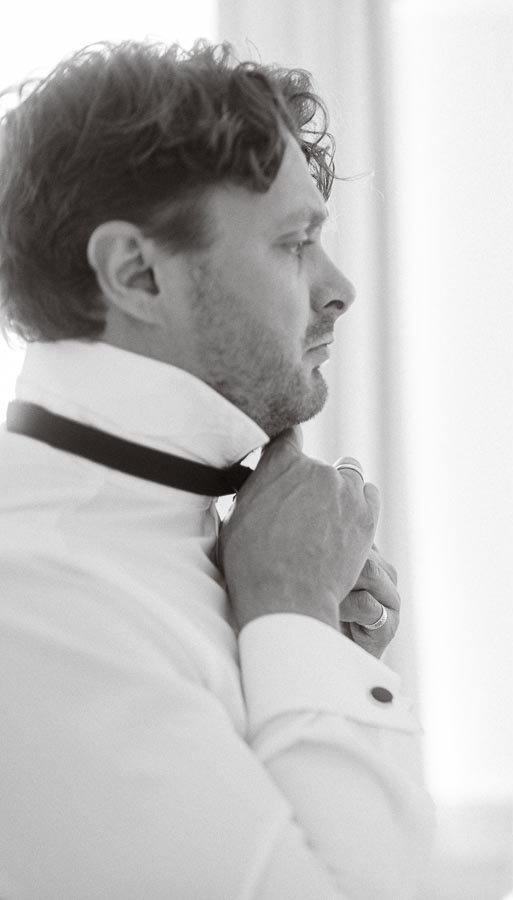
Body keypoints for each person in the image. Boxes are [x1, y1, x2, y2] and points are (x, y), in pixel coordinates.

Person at [0, 41, 434, 897]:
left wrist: (307, 663)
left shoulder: (198, 539)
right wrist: (294, 620)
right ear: (136, 273)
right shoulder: (34, 599)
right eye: (294, 243)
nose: (340, 287)